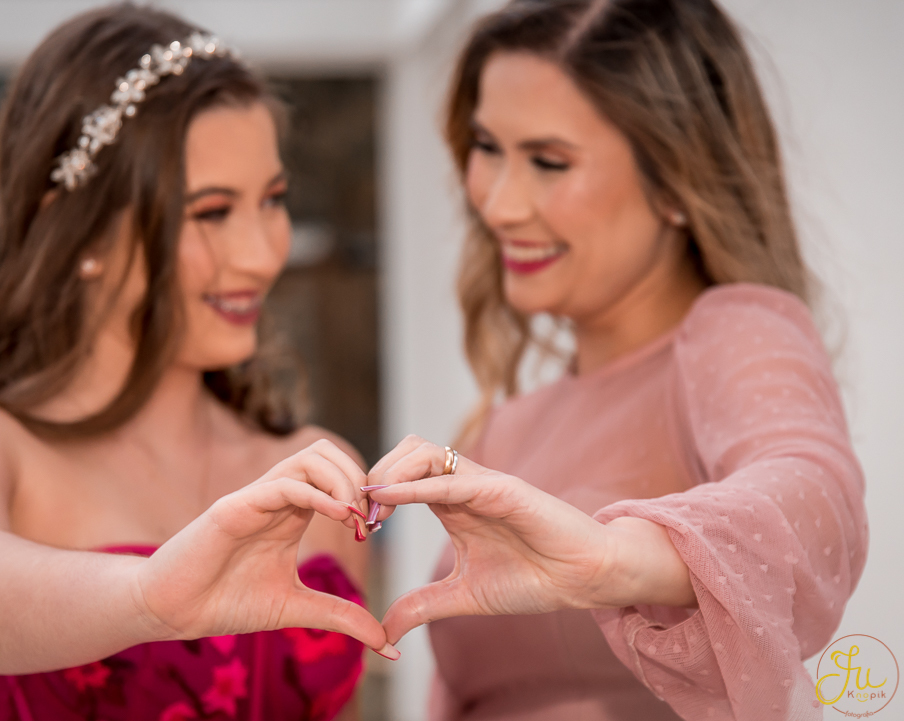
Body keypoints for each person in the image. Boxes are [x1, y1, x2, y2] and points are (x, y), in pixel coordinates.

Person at [0, 6, 396, 721]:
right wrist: (152, 597)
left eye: (273, 199)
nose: (261, 254)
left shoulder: (314, 473)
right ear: (83, 231)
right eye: (212, 211)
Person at [363, 0, 867, 719]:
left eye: (548, 161)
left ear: (677, 179)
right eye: (487, 147)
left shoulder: (732, 335)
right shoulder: (505, 427)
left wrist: (611, 560)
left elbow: (812, 493)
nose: (498, 205)